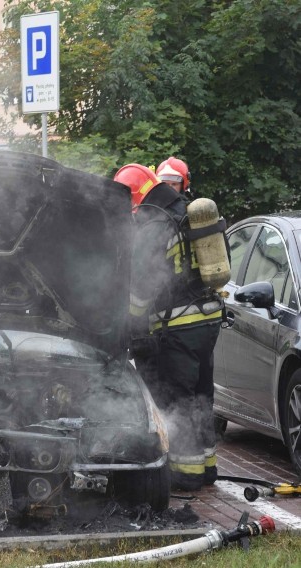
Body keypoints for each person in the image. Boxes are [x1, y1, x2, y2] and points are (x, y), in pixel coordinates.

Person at [114, 164, 224, 491]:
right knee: (202, 395)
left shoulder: (153, 227)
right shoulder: (187, 213)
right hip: (207, 321)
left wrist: (130, 326)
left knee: (179, 399)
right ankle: (208, 469)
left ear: (136, 201)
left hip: (177, 325)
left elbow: (141, 291)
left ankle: (186, 477)